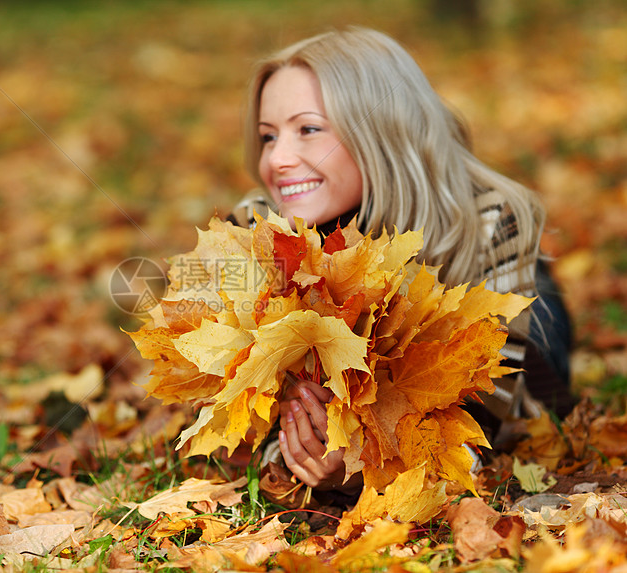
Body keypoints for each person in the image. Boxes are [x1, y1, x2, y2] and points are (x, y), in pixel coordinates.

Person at [226, 27, 573, 492]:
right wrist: (297, 453)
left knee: (540, 340)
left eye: (308, 129)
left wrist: (365, 468)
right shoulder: (255, 227)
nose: (279, 158)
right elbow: (238, 404)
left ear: (380, 130)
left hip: (528, 365)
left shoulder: (488, 223)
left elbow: (488, 417)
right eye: (269, 137)